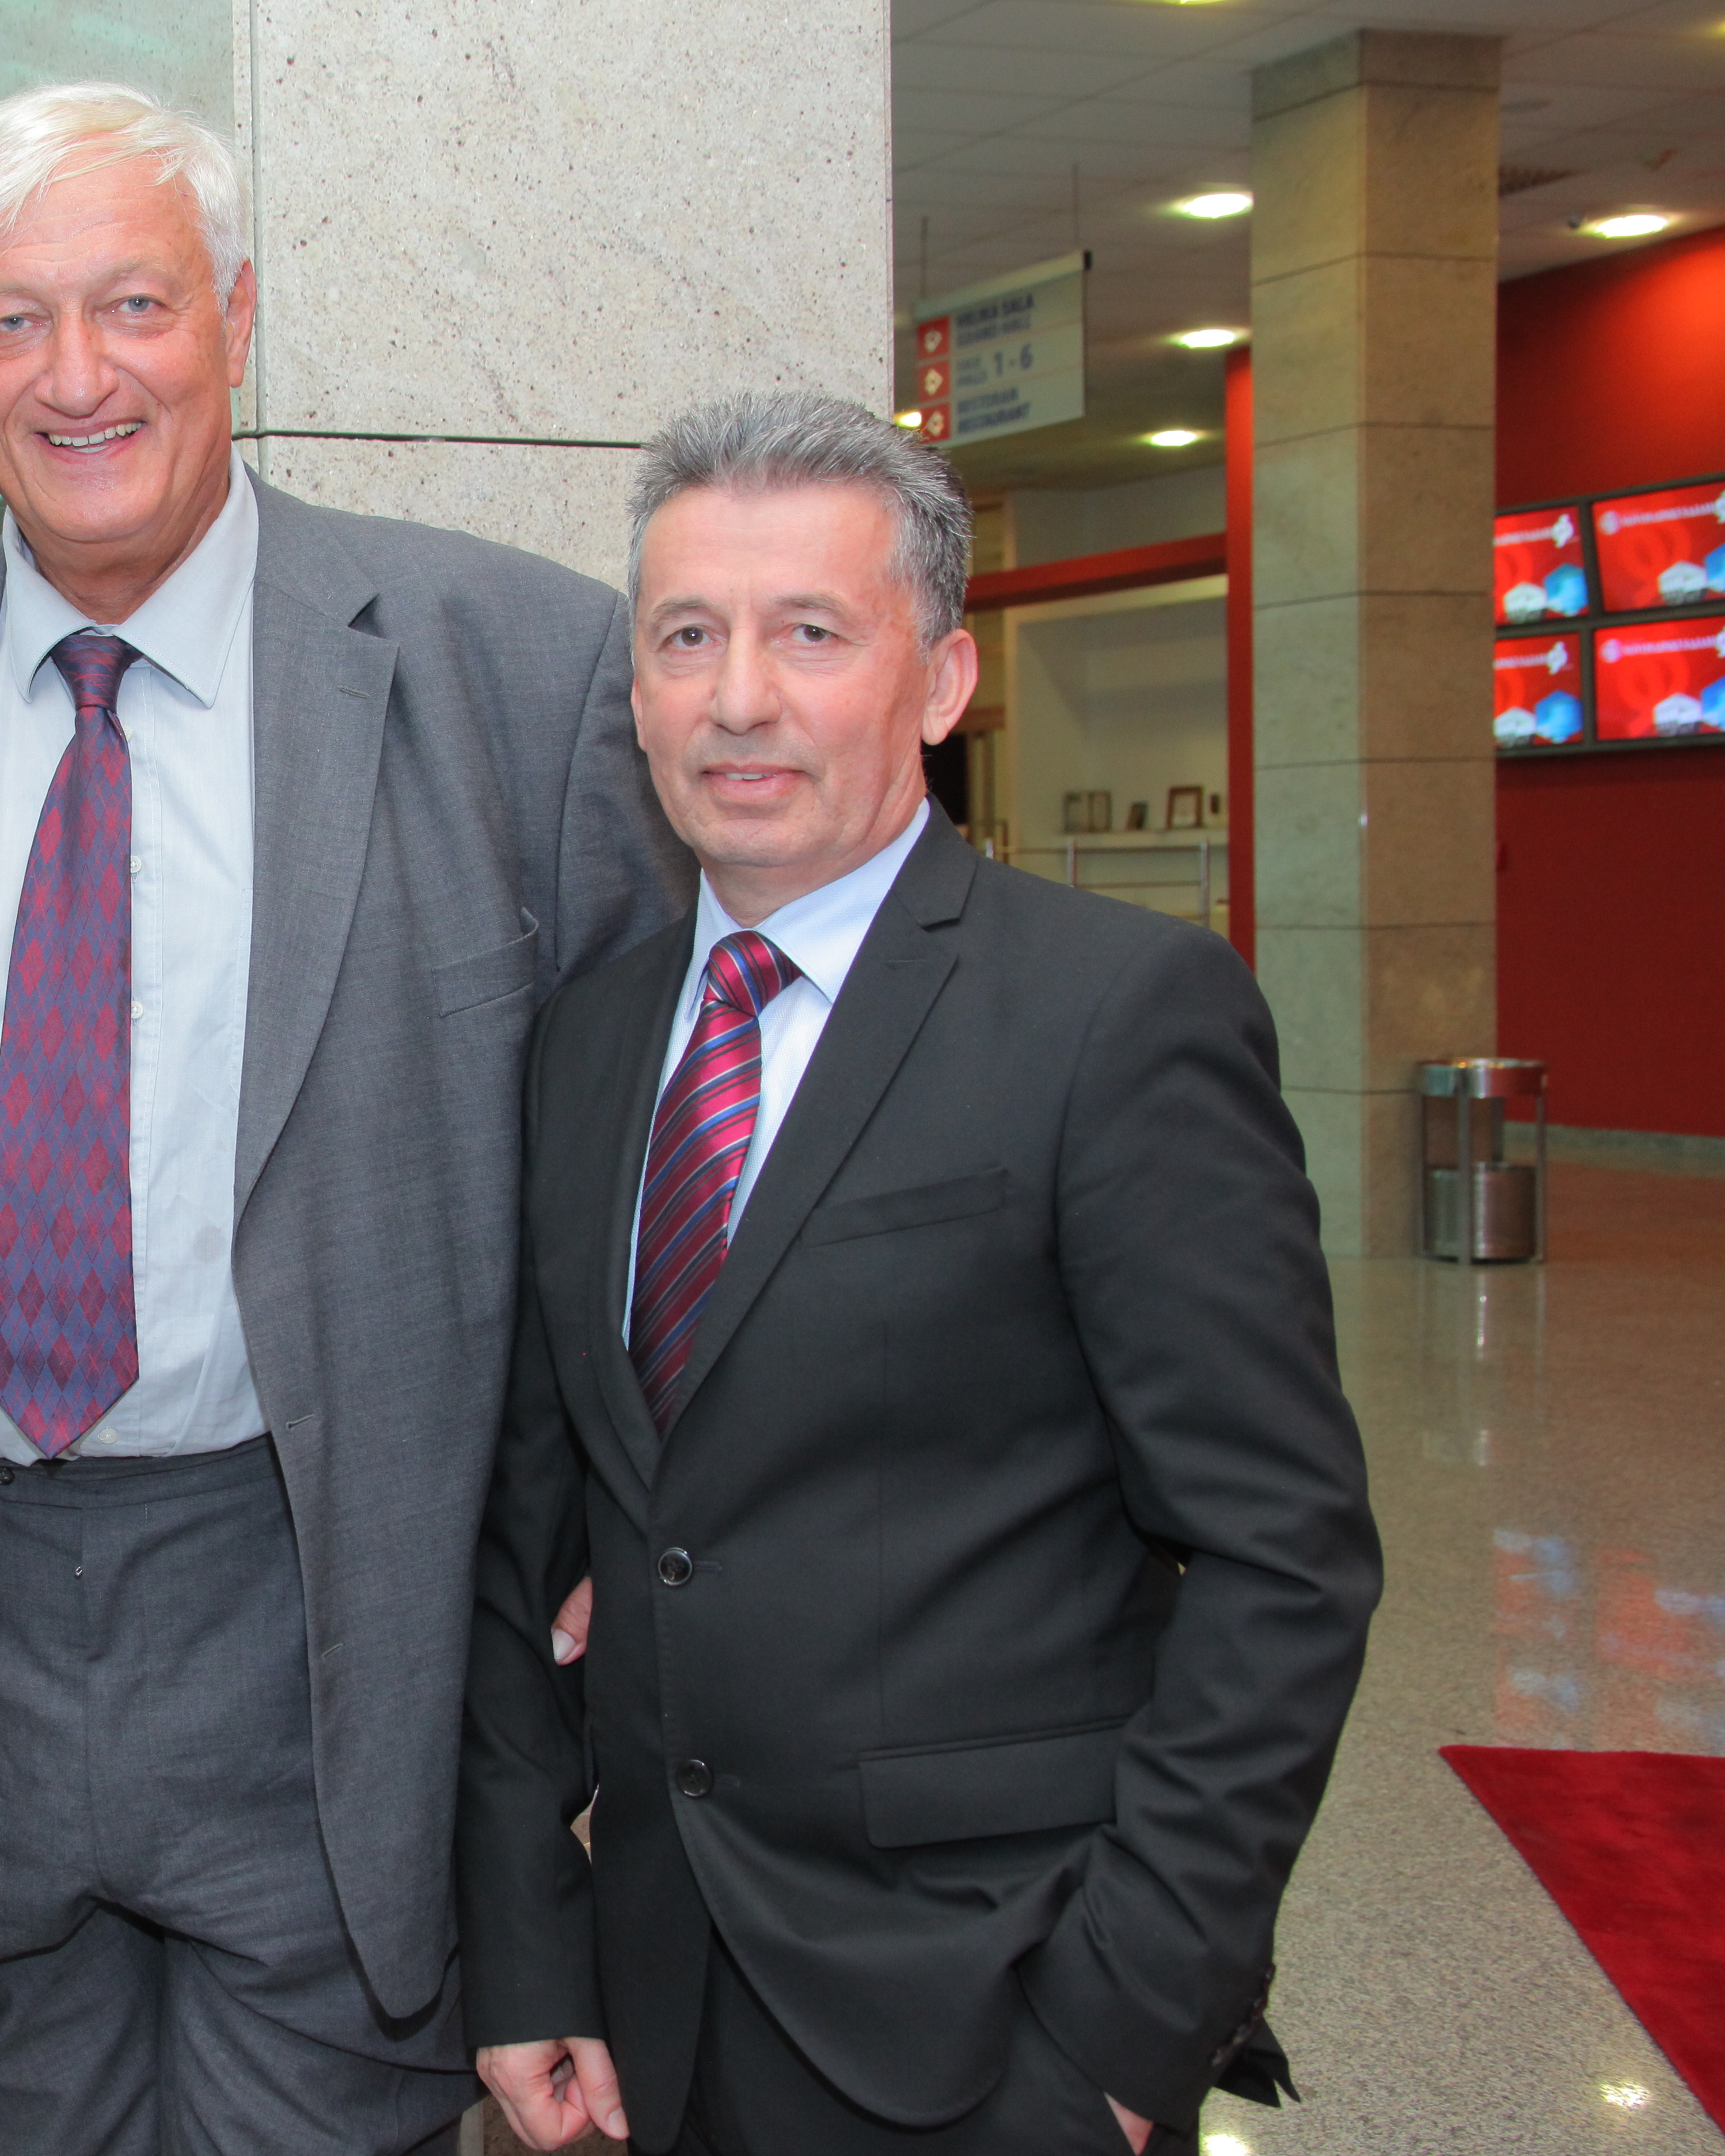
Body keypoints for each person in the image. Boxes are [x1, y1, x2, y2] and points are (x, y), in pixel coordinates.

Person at [0, 79, 687, 2156]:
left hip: (331, 1609)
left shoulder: (516, 671)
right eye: (14, 320)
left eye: (134, 304)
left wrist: (633, 1541)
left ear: (235, 312)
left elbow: (655, 1158)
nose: (79, 376)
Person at [457, 390, 1383, 2156]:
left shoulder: (1116, 1017)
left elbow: (1286, 1558)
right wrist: (525, 1944)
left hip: (991, 2009)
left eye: (812, 633)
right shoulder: (586, 1042)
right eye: (687, 637)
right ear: (635, 691)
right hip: (653, 2002)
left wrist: (1122, 2037)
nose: (740, 697)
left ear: (944, 682)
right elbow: (527, 1536)